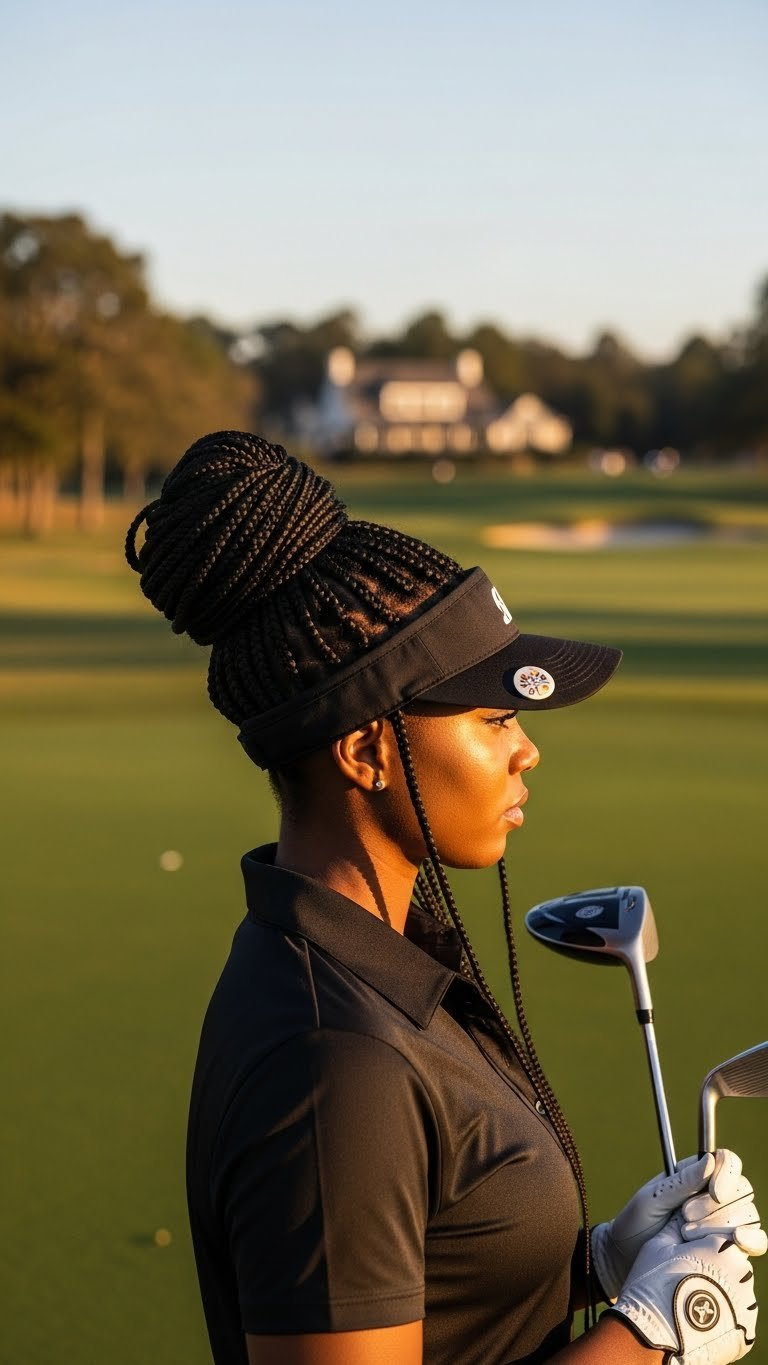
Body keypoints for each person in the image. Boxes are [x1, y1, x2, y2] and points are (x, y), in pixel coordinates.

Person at [126, 431, 764, 1365]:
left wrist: (598, 1264)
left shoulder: (378, 962)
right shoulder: (332, 1061)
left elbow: (442, 1274)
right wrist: (653, 1332)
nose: (526, 747)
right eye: (494, 715)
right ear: (365, 751)